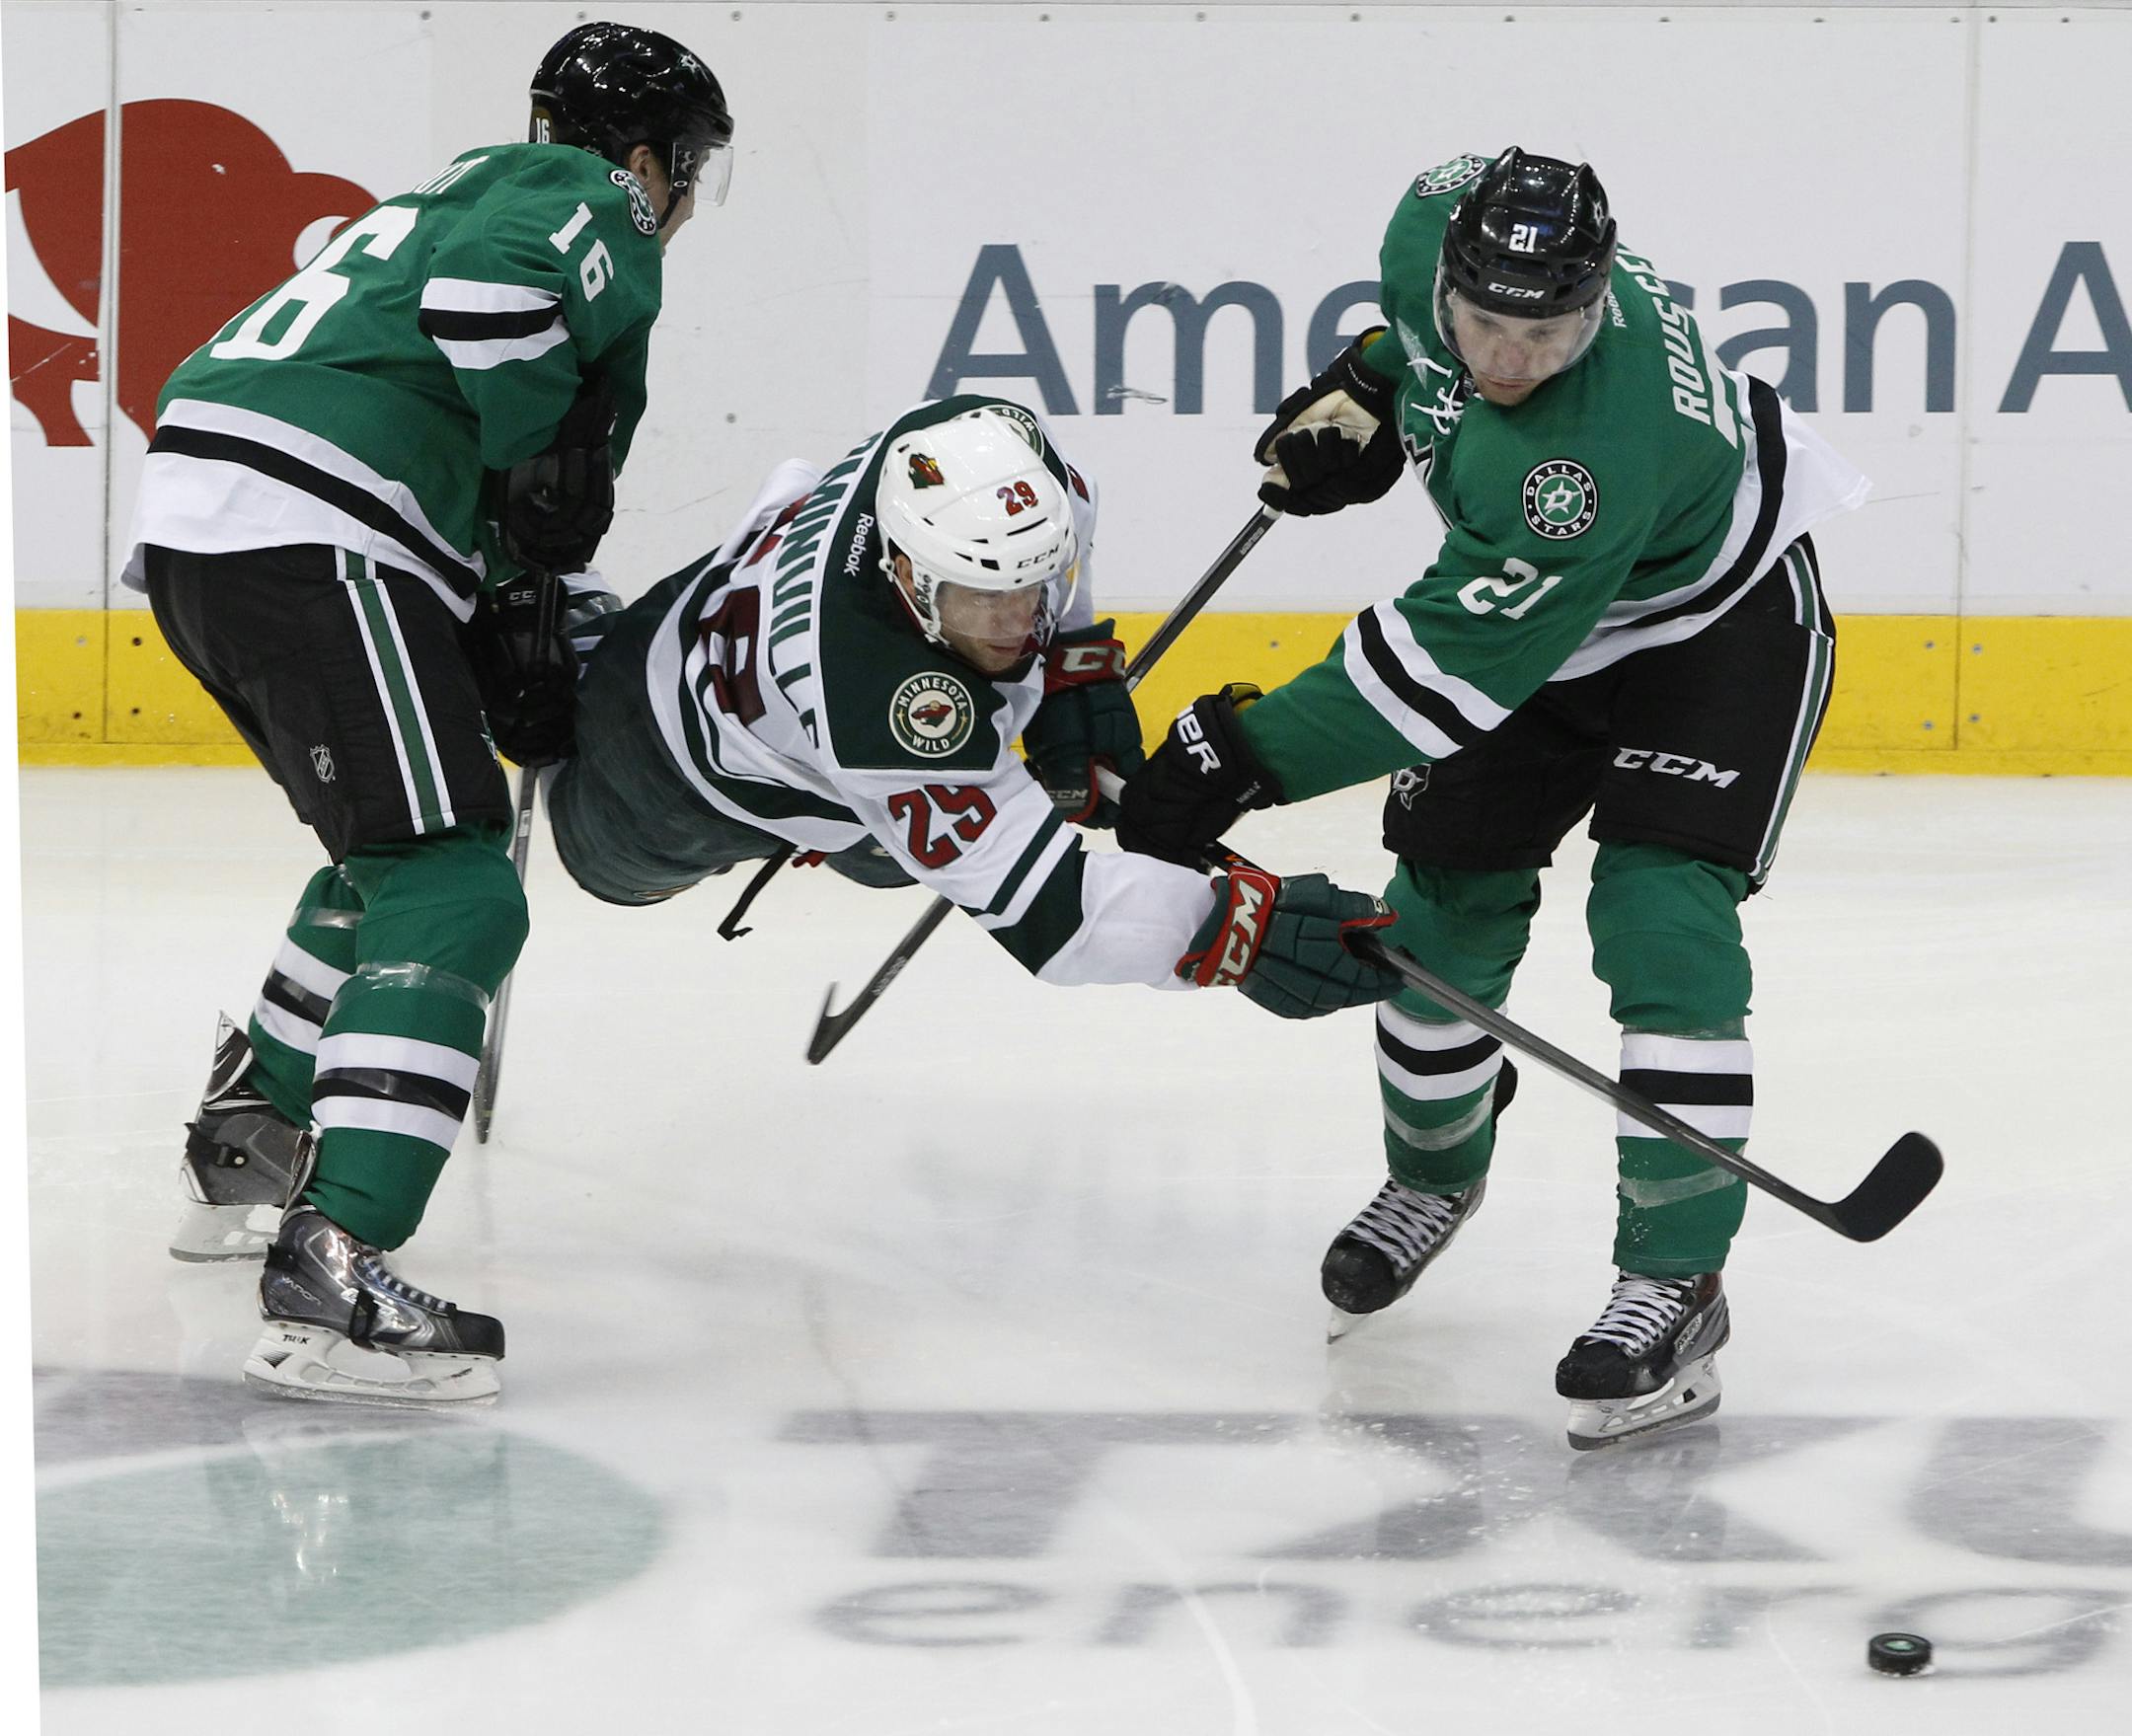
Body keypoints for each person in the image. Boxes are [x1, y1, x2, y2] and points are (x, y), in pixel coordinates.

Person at [1117, 147, 1869, 1450]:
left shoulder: (1580, 463)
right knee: (1443, 910)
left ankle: (1677, 1277)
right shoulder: (1425, 228)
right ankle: (1432, 1178)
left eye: (1550, 330)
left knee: (1662, 920)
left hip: (1719, 627)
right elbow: (1412, 330)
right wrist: (1372, 383)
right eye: (1486, 324)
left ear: (1595, 307)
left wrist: (1241, 752)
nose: (1513, 356)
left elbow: (1433, 678)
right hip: (1547, 622)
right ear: (1452, 270)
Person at [131, 21, 734, 1406]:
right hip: (311, 527)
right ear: (653, 158)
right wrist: (536, 466)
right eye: (688, 169)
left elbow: (435, 355)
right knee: (460, 887)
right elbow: (486, 308)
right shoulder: (590, 199)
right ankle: (334, 1270)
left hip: (215, 520)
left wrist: (504, 589)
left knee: (389, 857)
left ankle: (252, 1133)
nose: (684, 199)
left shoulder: (445, 193)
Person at [543, 394, 1399, 1026]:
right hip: (666, 765)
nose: (1014, 622)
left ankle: (850, 819)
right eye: (982, 600)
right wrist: (1234, 930)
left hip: (720, 605)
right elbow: (1065, 924)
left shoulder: (988, 452)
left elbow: (1060, 544)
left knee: (895, 851)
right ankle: (565, 650)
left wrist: (1073, 669)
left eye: (1031, 591)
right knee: (602, 867)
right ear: (909, 576)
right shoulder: (879, 706)